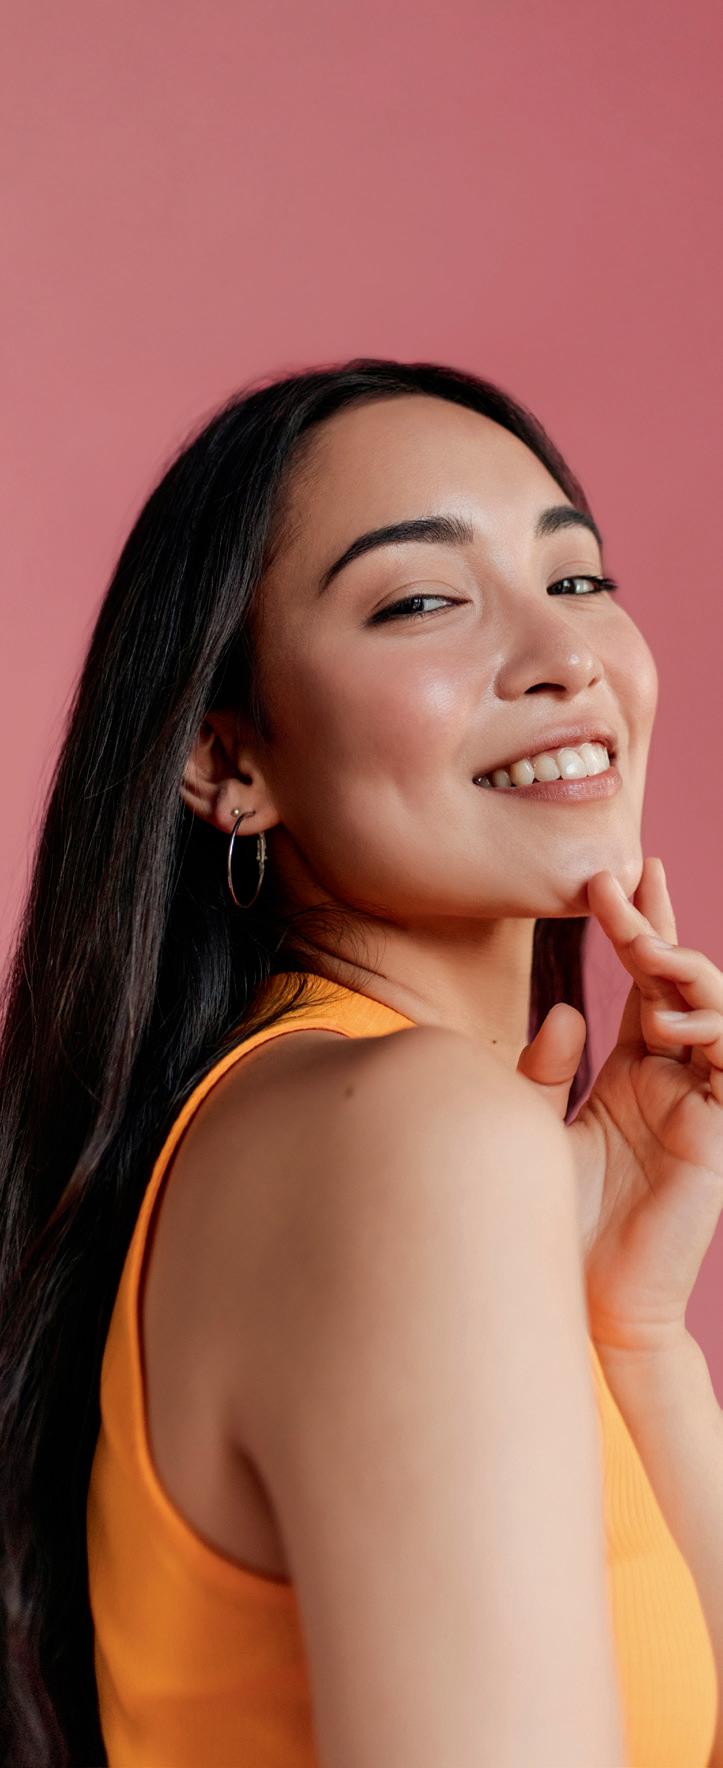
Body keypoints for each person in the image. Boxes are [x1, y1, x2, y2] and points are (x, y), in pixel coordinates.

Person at [0, 357, 720, 1768]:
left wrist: (631, 1326)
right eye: (422, 602)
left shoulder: (339, 1133)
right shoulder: (408, 1136)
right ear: (230, 760)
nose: (565, 655)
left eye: (577, 579)